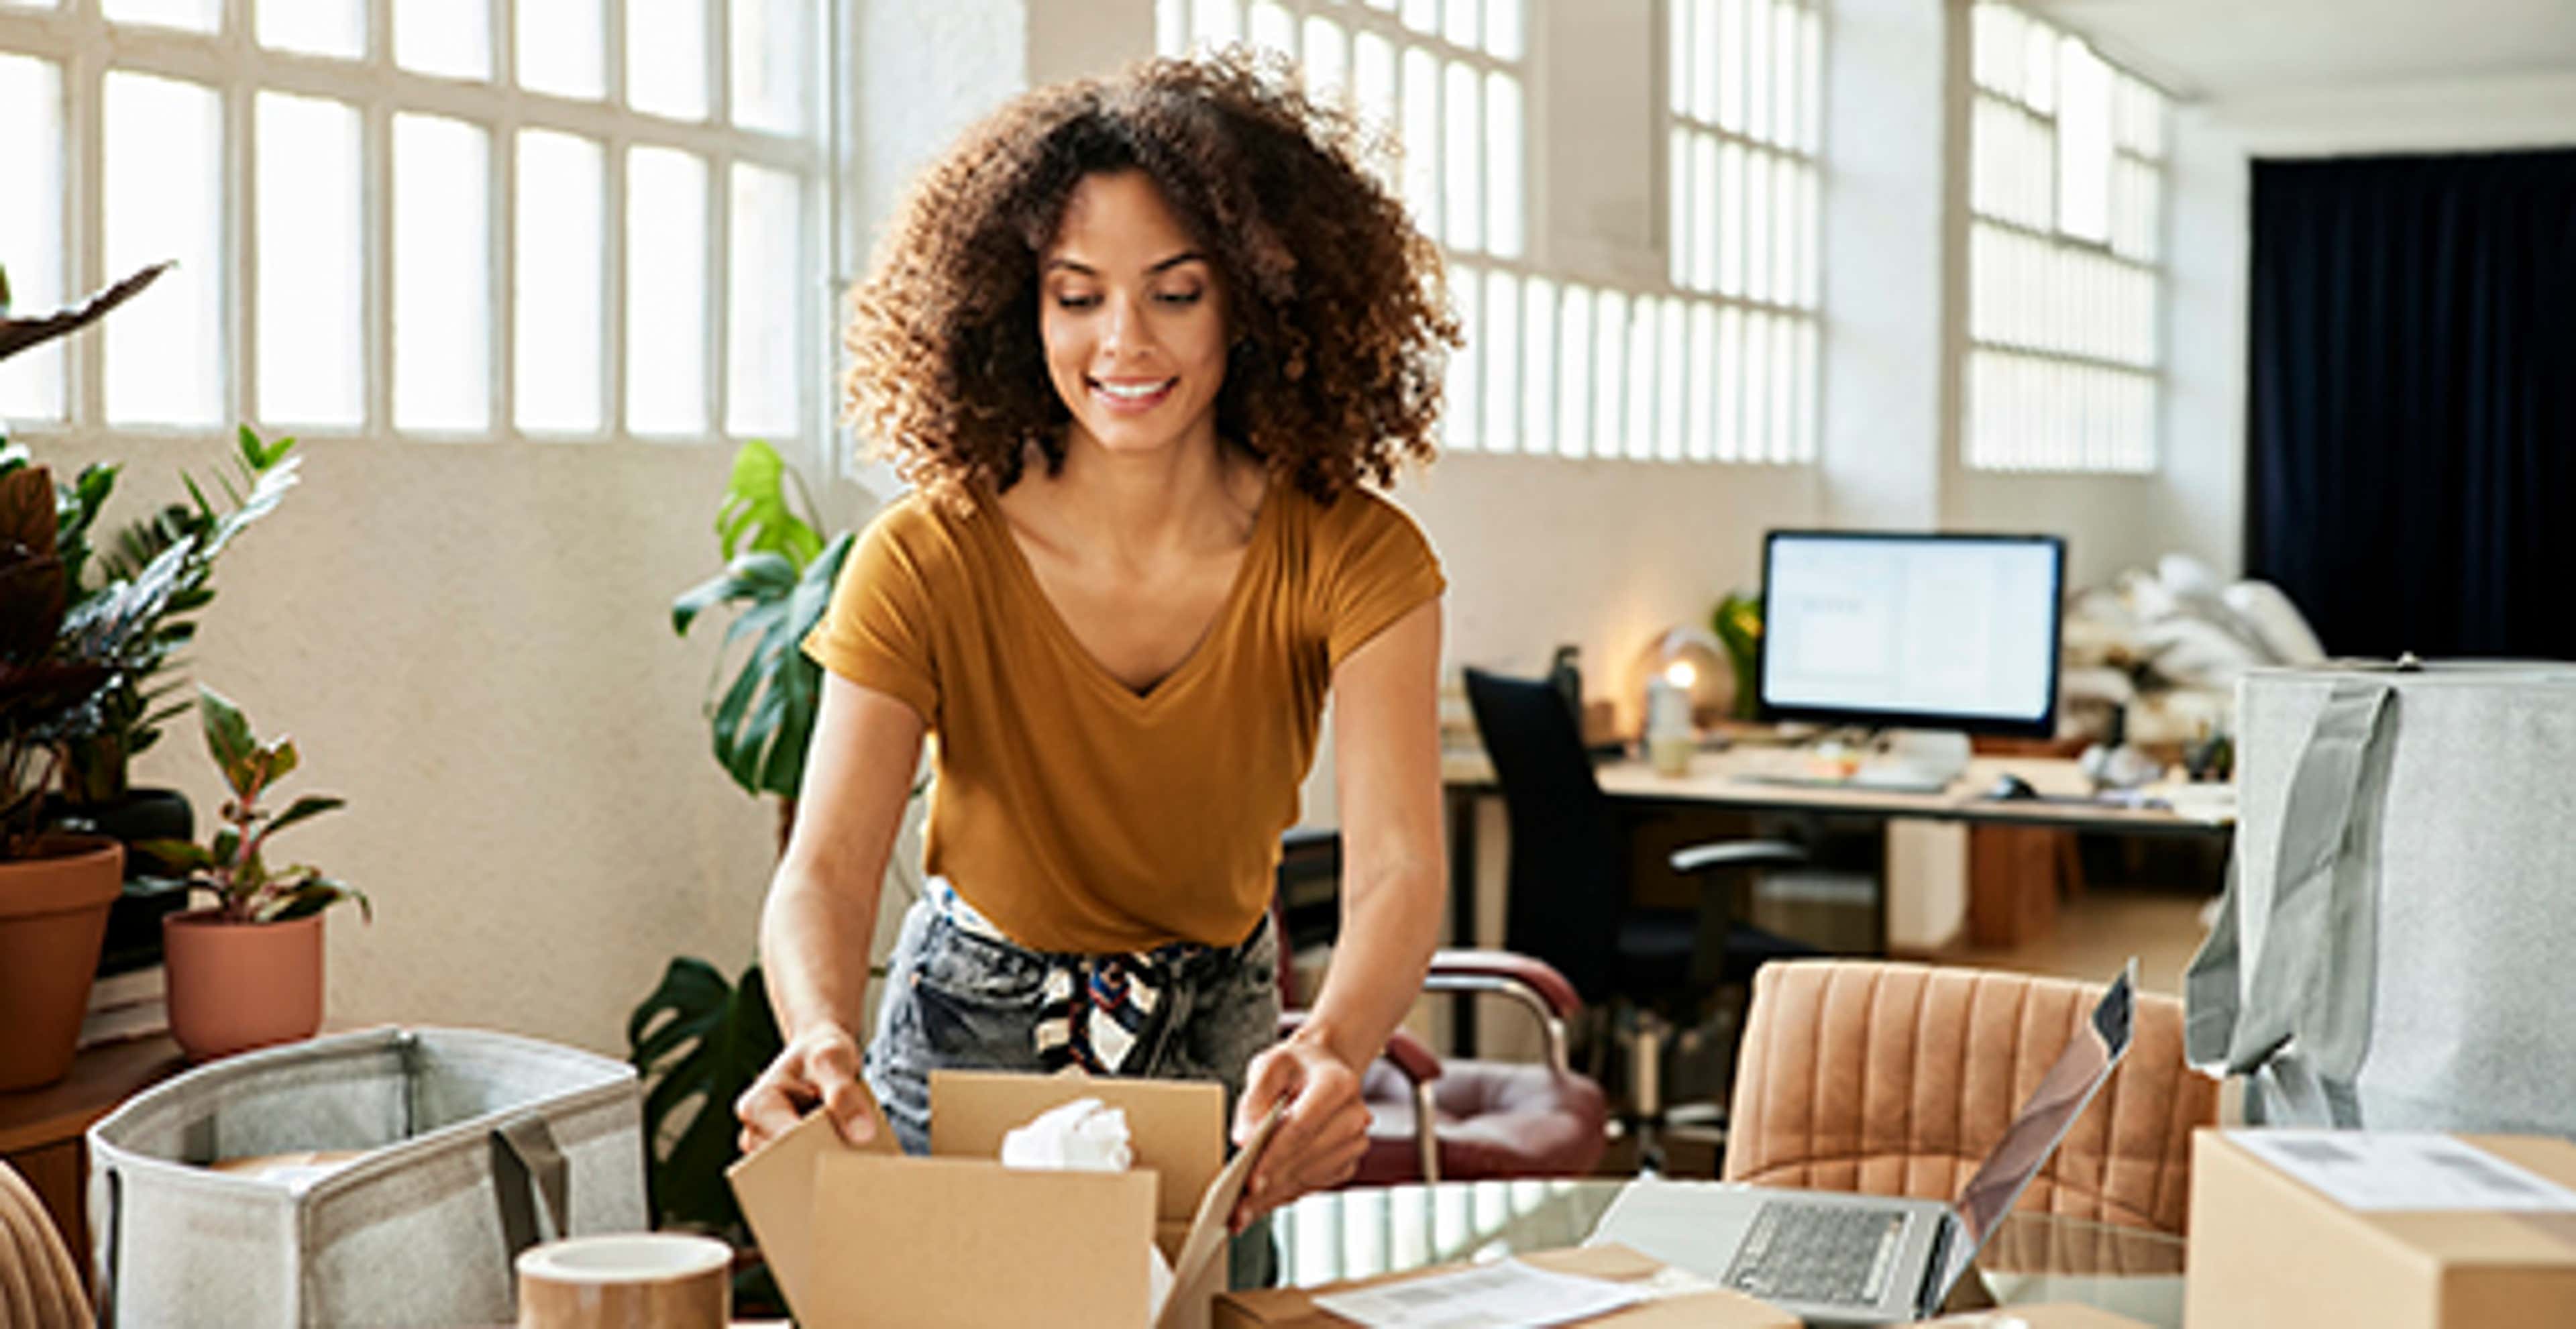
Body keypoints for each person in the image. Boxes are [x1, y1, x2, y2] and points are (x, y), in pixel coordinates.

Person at [732, 50, 1462, 1252]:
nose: (1123, 341)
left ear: (1258, 298)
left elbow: (1396, 868)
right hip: (961, 1039)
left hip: (1225, 1042)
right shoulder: (925, 556)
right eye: (1077, 295)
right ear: (1019, 309)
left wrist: (1333, 1041)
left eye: (1176, 292)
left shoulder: (1356, 555)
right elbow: (825, 866)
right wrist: (818, 1031)